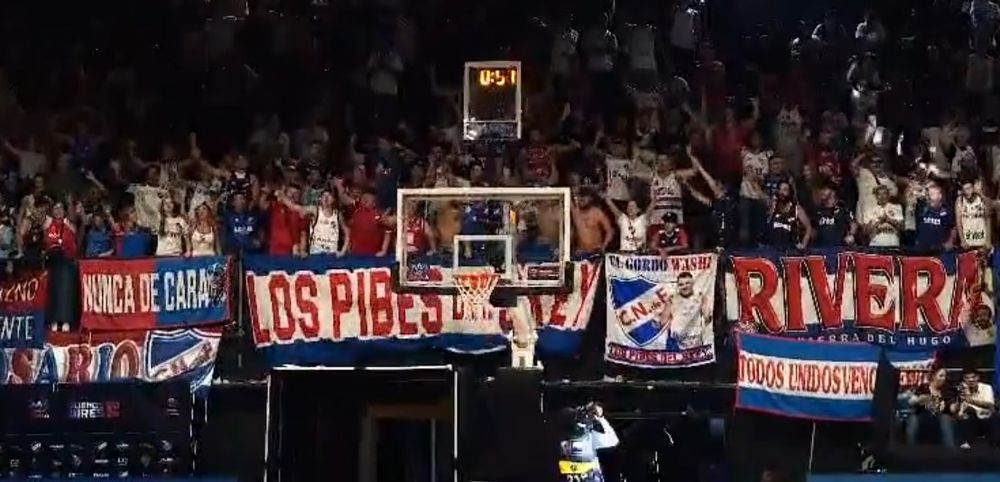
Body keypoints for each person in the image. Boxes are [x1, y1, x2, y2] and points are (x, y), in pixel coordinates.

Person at [556, 403, 619, 482]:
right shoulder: (556, 438)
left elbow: (613, 440)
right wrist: (600, 418)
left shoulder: (590, 437)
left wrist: (599, 418)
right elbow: (613, 440)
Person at [657, 271, 712, 351]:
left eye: (687, 283)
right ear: (678, 286)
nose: (684, 286)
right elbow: (662, 322)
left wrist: (705, 303)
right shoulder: (672, 299)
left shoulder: (700, 298)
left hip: (695, 342)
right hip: (676, 343)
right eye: (681, 284)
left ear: (693, 283)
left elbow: (707, 319)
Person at [905, 367, 957, 447]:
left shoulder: (947, 391)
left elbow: (952, 408)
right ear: (933, 376)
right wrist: (919, 400)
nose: (944, 378)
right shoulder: (924, 388)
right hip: (923, 417)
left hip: (940, 418)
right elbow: (911, 402)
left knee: (946, 419)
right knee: (913, 419)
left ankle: (950, 452)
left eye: (945, 376)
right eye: (941, 376)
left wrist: (956, 406)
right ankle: (911, 451)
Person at [952, 368, 999, 448]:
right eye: (967, 378)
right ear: (963, 379)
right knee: (969, 413)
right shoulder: (961, 389)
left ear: (978, 377)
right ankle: (966, 445)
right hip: (970, 420)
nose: (971, 380)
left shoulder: (986, 387)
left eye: (973, 377)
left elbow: (990, 405)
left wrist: (971, 400)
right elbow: (958, 412)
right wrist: (959, 400)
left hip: (986, 418)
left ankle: (996, 448)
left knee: (995, 418)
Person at [766, 181, 812, 249]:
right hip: (773, 248)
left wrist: (803, 245)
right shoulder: (773, 206)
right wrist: (771, 208)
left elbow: (808, 228)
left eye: (785, 190)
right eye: (780, 189)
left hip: (790, 249)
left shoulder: (796, 208)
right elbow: (767, 223)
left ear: (790, 192)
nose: (781, 192)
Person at [914, 183, 956, 250]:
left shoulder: (947, 211)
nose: (929, 198)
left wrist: (950, 242)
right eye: (928, 195)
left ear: (940, 196)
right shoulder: (921, 207)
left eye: (932, 195)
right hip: (921, 249)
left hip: (940, 250)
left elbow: (953, 227)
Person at [571, 189, 613, 253]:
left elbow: (609, 231)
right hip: (579, 252)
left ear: (590, 198)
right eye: (580, 198)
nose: (581, 200)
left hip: (595, 251)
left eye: (584, 198)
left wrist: (604, 246)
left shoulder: (597, 213)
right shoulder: (575, 212)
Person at [955, 177, 992, 249]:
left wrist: (988, 240)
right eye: (965, 189)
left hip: (982, 240)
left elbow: (988, 219)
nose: (967, 191)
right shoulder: (960, 200)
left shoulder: (981, 199)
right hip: (968, 241)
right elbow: (958, 222)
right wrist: (962, 240)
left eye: (969, 188)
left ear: (973, 187)